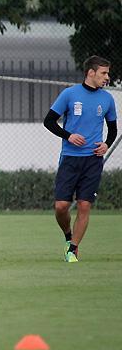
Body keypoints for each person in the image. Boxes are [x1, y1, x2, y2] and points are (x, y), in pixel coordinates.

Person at [43, 55, 117, 263]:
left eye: (108, 73)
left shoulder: (107, 99)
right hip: (70, 158)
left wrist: (106, 144)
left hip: (93, 160)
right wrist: (68, 136)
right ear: (91, 73)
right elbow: (49, 121)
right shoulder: (69, 94)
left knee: (84, 205)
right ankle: (68, 235)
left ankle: (73, 249)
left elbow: (113, 129)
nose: (107, 77)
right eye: (104, 73)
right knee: (61, 206)